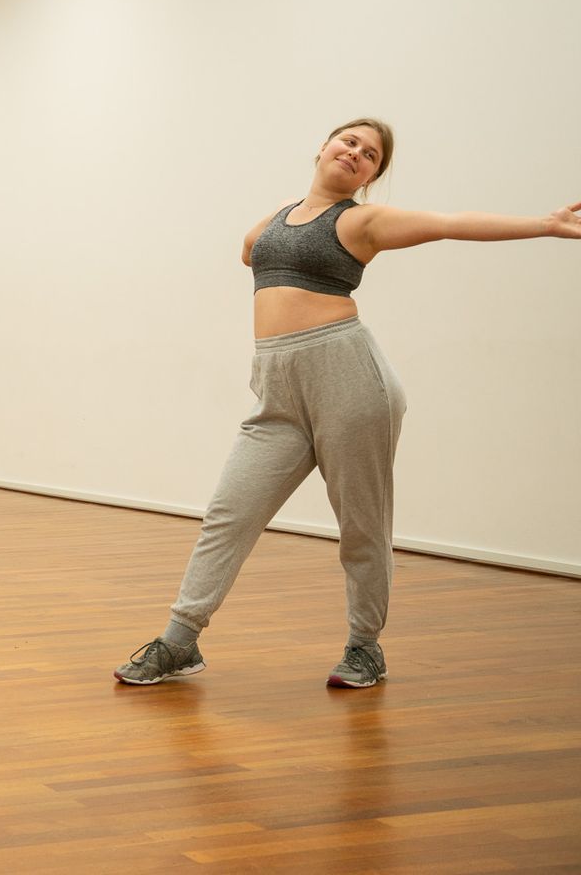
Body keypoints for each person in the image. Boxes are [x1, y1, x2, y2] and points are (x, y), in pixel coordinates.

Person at [115, 118, 580, 688]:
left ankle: (365, 647)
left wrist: (547, 224)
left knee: (361, 524)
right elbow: (249, 253)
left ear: (372, 176)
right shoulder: (284, 213)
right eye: (349, 141)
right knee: (229, 514)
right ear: (323, 147)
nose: (356, 153)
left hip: (349, 380)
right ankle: (179, 641)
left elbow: (450, 224)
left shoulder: (362, 221)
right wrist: (283, 216)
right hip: (277, 390)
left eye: (370, 155)